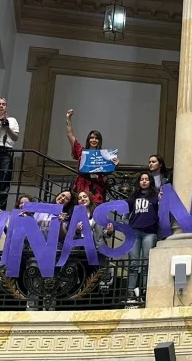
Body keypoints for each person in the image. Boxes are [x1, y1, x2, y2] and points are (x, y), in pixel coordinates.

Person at [65, 109, 118, 205]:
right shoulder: (81, 151)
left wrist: (115, 165)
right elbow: (70, 135)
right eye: (92, 138)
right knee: (79, 209)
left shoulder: (105, 155)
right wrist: (68, 118)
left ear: (99, 140)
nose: (94, 140)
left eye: (96, 138)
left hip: (96, 187)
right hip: (81, 185)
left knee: (95, 211)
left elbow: (107, 171)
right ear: (88, 139)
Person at [125, 172, 160, 302]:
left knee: (146, 263)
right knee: (133, 263)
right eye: (142, 179)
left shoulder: (156, 196)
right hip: (134, 231)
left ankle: (145, 290)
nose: (144, 181)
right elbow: (126, 212)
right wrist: (125, 224)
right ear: (139, 182)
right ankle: (130, 292)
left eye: (146, 179)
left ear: (150, 181)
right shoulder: (133, 196)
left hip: (150, 231)